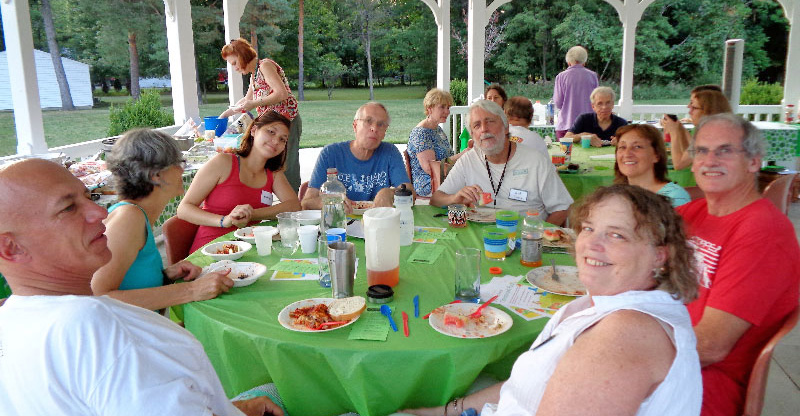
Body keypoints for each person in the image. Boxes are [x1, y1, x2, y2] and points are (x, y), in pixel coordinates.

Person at [0, 159, 283, 416]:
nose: (99, 212)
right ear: (10, 248)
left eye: (88, 196)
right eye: (68, 208)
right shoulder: (106, 334)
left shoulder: (14, 319)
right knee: (284, 388)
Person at [404, 185, 702, 416]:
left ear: (660, 255)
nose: (592, 244)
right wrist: (447, 411)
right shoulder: (610, 304)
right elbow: (528, 386)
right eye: (588, 228)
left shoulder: (626, 335)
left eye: (617, 235)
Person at [676, 113, 800, 416]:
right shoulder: (695, 212)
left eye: (725, 150)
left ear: (754, 162)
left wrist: (623, 354)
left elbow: (709, 347)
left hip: (700, 383)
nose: (710, 160)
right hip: (671, 355)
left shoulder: (763, 233)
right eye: (702, 151)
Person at [92, 129, 234, 311]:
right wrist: (191, 290)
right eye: (178, 163)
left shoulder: (136, 215)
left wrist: (164, 275)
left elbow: (128, 282)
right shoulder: (128, 218)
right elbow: (99, 298)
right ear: (156, 174)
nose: (182, 170)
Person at [430, 100, 572, 226]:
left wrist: (536, 238)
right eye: (477, 125)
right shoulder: (469, 160)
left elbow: (562, 208)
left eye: (490, 121)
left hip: (524, 237)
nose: (484, 129)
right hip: (480, 237)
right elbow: (436, 199)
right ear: (473, 136)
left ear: (506, 128)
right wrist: (455, 197)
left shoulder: (536, 161)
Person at [178, 111, 301, 253]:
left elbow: (294, 206)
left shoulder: (273, 173)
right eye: (271, 132)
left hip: (249, 250)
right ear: (254, 130)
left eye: (282, 140)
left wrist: (251, 214)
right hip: (212, 249)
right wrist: (225, 220)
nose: (275, 141)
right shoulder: (223, 162)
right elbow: (184, 209)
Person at [219, 38, 302, 192]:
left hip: (287, 121)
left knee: (287, 162)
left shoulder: (265, 66)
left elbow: (281, 93)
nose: (235, 69)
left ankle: (293, 202)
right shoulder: (254, 75)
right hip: (273, 124)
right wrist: (227, 113)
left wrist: (255, 104)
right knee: (273, 160)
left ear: (242, 56)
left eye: (234, 63)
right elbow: (247, 100)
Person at [301, 102, 412, 211]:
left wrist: (389, 193)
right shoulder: (330, 154)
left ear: (385, 132)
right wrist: (331, 202)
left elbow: (409, 191)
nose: (374, 128)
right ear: (355, 126)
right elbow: (307, 202)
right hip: (339, 224)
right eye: (368, 121)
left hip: (376, 220)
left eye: (380, 124)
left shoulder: (390, 152)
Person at [613, 124, 691, 207]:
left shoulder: (675, 198)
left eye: (637, 146)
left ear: (656, 155)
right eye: (622, 147)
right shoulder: (616, 195)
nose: (627, 154)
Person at [407, 89, 466, 197]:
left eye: (448, 107)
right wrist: (462, 155)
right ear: (429, 108)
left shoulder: (437, 129)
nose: (447, 111)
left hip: (444, 178)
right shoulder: (421, 133)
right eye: (442, 107)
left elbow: (447, 159)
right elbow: (431, 169)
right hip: (429, 184)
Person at [662, 88, 732, 170]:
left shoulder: (711, 135)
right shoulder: (713, 128)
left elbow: (679, 164)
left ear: (707, 111)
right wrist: (679, 127)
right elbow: (690, 153)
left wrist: (674, 133)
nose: (689, 110)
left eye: (694, 107)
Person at [553, 45, 599, 139]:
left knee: (565, 153)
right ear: (584, 62)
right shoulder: (592, 76)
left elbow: (558, 103)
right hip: (588, 125)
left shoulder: (561, 77)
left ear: (569, 62)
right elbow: (597, 101)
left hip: (566, 124)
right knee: (589, 153)